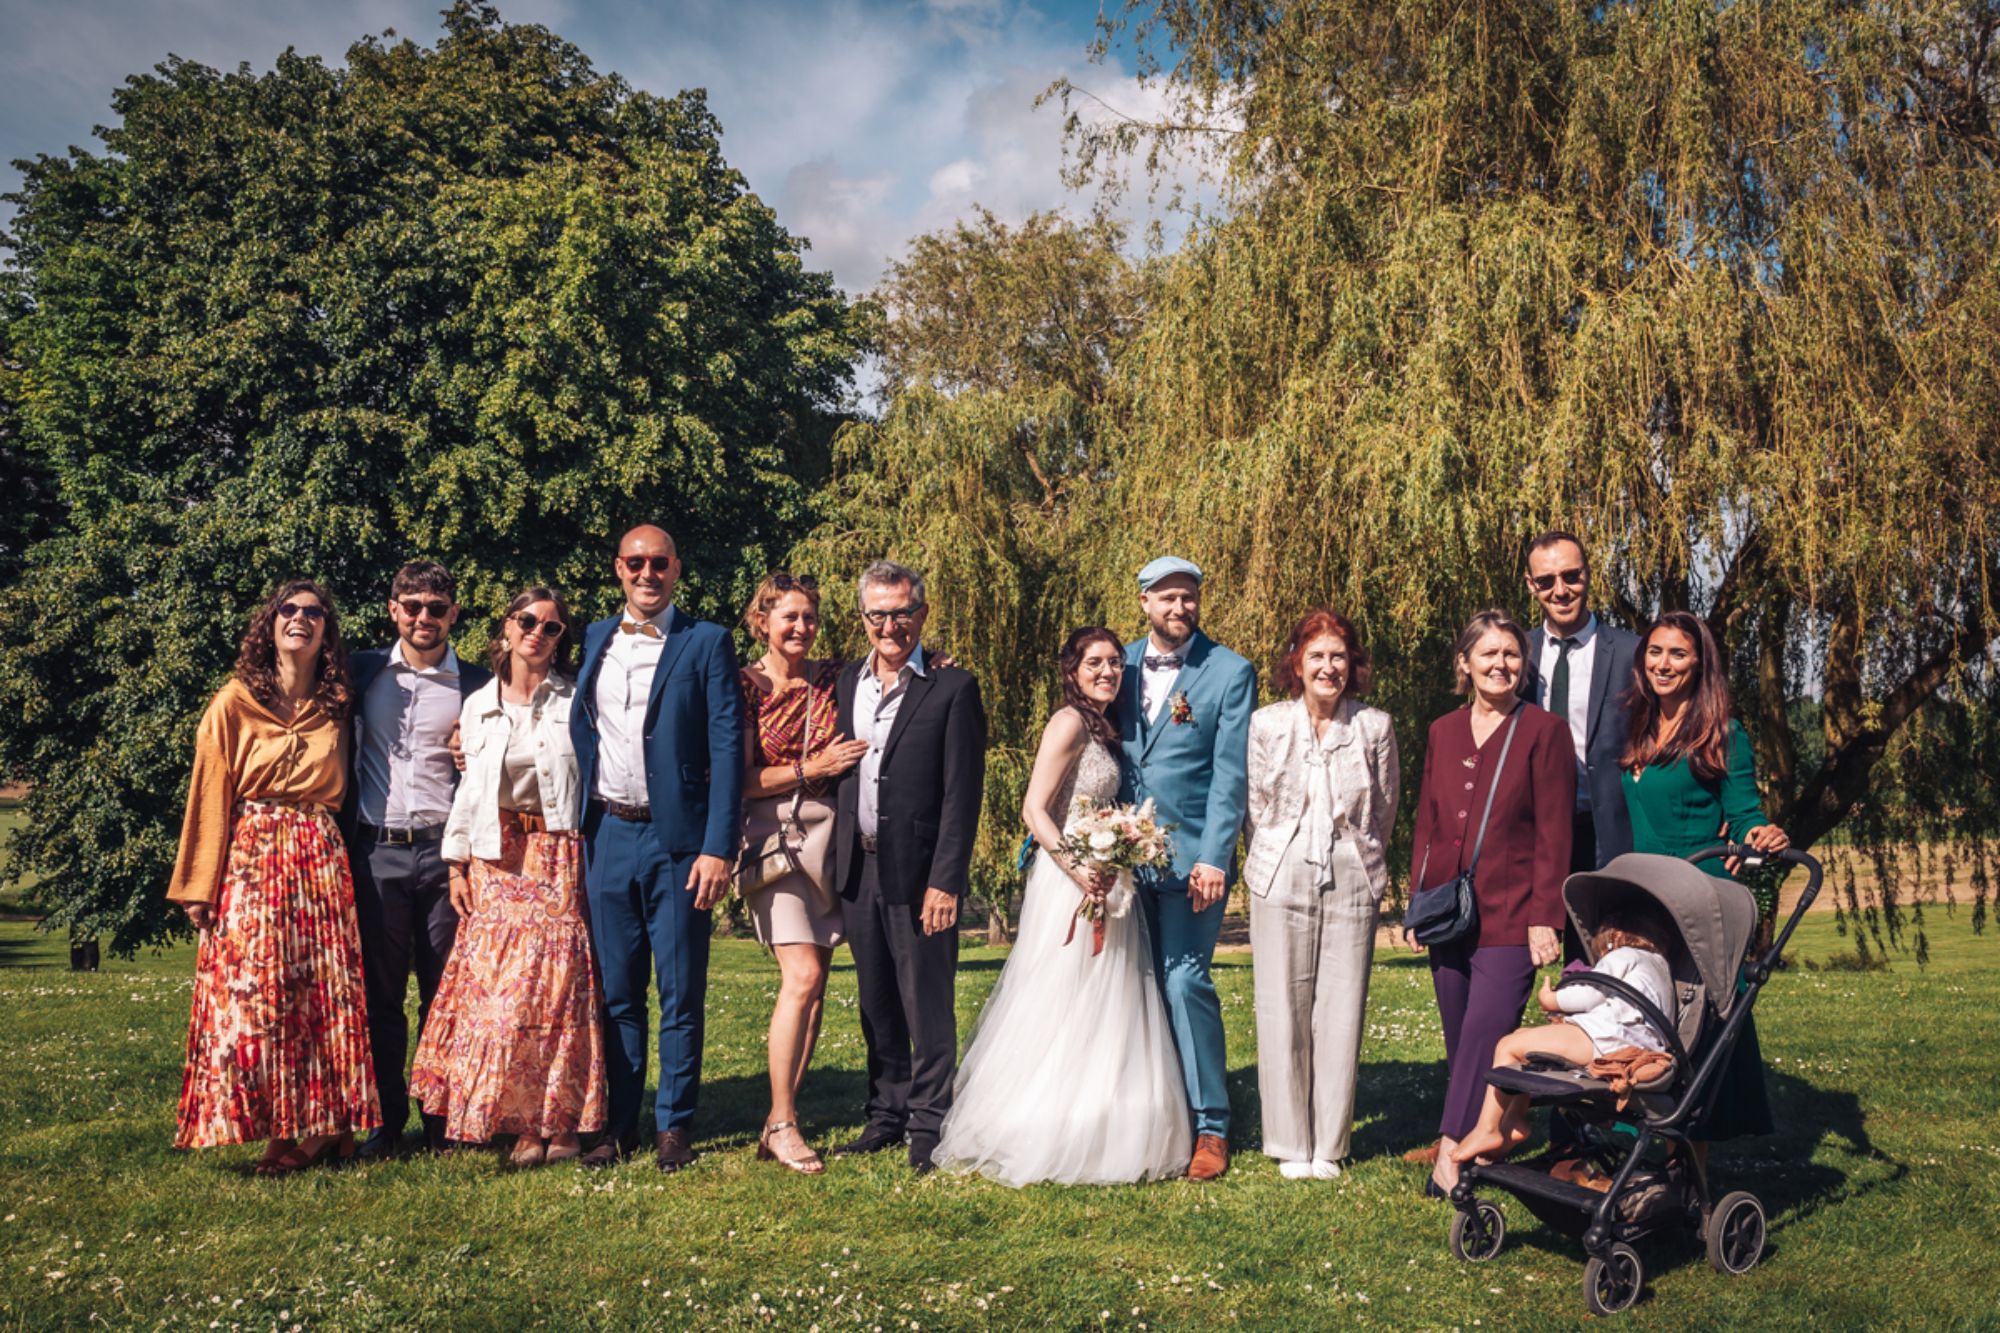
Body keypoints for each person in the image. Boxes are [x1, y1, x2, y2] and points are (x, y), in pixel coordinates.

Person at [935, 628, 1191, 1185]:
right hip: (1068, 879)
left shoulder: (1104, 727)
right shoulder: (1069, 722)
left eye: (1116, 663)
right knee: (1061, 992)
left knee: (1109, 996)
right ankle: (1041, 1121)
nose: (1108, 672)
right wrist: (1078, 869)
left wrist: (1118, 849)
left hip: (1104, 875)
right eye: (1094, 663)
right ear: (1072, 670)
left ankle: (1104, 1116)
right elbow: (1034, 809)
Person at [168, 580, 380, 1173]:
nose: (300, 619)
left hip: (318, 856)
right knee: (258, 996)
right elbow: (209, 792)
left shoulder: (339, 702)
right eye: (289, 609)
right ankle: (281, 1125)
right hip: (253, 857)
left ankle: (325, 1127)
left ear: (326, 632)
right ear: (271, 622)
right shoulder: (234, 701)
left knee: (320, 996)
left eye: (314, 612)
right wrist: (199, 886)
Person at [570, 526, 745, 1171]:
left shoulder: (707, 641)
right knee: (617, 992)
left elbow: (728, 747)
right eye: (636, 562)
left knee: (679, 991)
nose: (648, 573)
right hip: (607, 834)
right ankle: (619, 1123)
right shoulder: (594, 637)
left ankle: (673, 1124)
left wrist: (717, 847)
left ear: (676, 569)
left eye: (659, 563)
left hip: (679, 843)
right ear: (619, 568)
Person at [411, 587, 605, 1167]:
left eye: (552, 627)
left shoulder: (577, 699)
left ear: (561, 639)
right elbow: (469, 791)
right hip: (496, 855)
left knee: (557, 993)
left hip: (557, 851)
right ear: (507, 627)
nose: (537, 633)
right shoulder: (477, 706)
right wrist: (456, 863)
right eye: (528, 621)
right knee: (504, 996)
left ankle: (561, 1122)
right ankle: (521, 1124)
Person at [828, 560, 987, 1174]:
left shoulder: (952, 687)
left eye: (901, 613)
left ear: (922, 613)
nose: (889, 626)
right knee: (877, 1001)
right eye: (878, 615)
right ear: (863, 618)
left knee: (927, 1002)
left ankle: (928, 1122)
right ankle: (886, 1114)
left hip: (921, 873)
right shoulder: (846, 681)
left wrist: (946, 881)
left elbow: (961, 794)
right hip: (858, 866)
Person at [1406, 609, 1572, 1196]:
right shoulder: (1442, 731)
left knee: (1485, 1030)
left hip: (1513, 912)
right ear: (1465, 663)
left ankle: (1451, 1154)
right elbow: (1428, 822)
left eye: (1511, 654)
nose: (1501, 664)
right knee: (1460, 1037)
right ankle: (1502, 1124)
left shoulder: (1544, 731)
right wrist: (1417, 901)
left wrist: (1545, 917)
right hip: (1447, 911)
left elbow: (1555, 832)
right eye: (1489, 653)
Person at [1619, 609, 1788, 1145]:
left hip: (1696, 892)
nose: (1663, 664)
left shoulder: (1723, 733)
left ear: (1699, 665)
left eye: (1678, 654)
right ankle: (1642, 1138)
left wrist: (1761, 833)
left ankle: (1692, 1156)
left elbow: (1744, 813)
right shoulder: (1639, 725)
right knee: (1647, 1010)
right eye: (1655, 651)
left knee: (1697, 1019)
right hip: (1647, 893)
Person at [1243, 608, 1399, 1180]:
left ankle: (1328, 1143)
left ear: (1352, 664)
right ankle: (1290, 1141)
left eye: (1338, 656)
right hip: (1280, 866)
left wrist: (1356, 854)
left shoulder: (1374, 726)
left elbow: (1385, 806)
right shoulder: (1266, 724)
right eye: (1317, 656)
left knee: (1341, 1003)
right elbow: (1256, 805)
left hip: (1352, 867)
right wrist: (1278, 851)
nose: (1328, 667)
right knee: (1281, 1003)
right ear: (1297, 663)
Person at [344, 560, 492, 1160]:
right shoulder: (361, 673)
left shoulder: (479, 685)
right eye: (412, 606)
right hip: (376, 850)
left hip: (445, 856)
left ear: (453, 613)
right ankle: (385, 1121)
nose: (423, 617)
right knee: (380, 996)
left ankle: (440, 1118)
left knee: (443, 993)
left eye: (435, 608)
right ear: (393, 610)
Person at [1118, 555, 1256, 1181]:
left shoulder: (1229, 672)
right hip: (1121, 861)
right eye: (1167, 597)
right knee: (1130, 988)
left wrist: (1214, 857)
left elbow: (1230, 774)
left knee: (1183, 983)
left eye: (1189, 597)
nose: (1179, 608)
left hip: (1191, 862)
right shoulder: (1115, 664)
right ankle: (1150, 1111)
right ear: (1145, 602)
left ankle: (1211, 1126)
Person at [736, 572, 868, 1174]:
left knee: (817, 985)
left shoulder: (835, 677)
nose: (801, 627)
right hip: (774, 842)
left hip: (829, 839)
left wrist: (936, 659)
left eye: (809, 617)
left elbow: (892, 664)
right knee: (804, 973)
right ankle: (786, 1123)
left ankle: (776, 1121)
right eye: (788, 616)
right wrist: (811, 767)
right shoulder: (744, 685)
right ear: (761, 620)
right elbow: (740, 778)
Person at [1450, 908, 1675, 1164]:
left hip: (1608, 1039)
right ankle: (1514, 1120)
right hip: (1637, 1043)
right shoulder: (1660, 965)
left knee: (1507, 1045)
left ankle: (1488, 1129)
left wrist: (1552, 999)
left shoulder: (1623, 955)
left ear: (1614, 937)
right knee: (1523, 1038)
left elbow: (1591, 992)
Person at [1517, 531, 1641, 954]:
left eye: (1571, 576)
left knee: (1607, 957)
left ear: (1588, 574)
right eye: (1546, 580)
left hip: (1611, 832)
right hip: (1537, 837)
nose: (1561, 590)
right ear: (1531, 585)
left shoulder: (1631, 653)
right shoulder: (1516, 657)